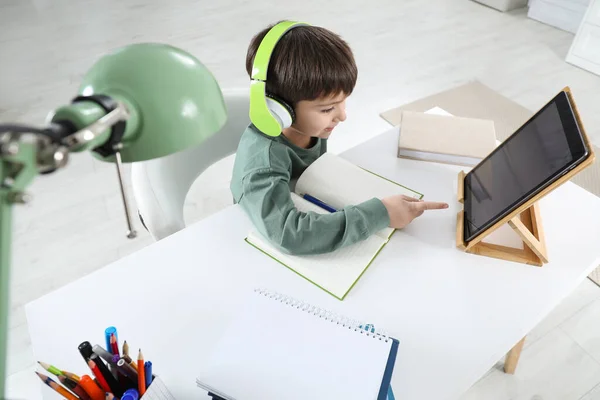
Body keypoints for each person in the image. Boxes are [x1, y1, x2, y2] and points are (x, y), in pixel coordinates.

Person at [230, 21, 448, 255]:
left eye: (343, 102)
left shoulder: (308, 128)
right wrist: (381, 214)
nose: (342, 116)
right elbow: (290, 234)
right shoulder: (263, 164)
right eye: (327, 109)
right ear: (276, 108)